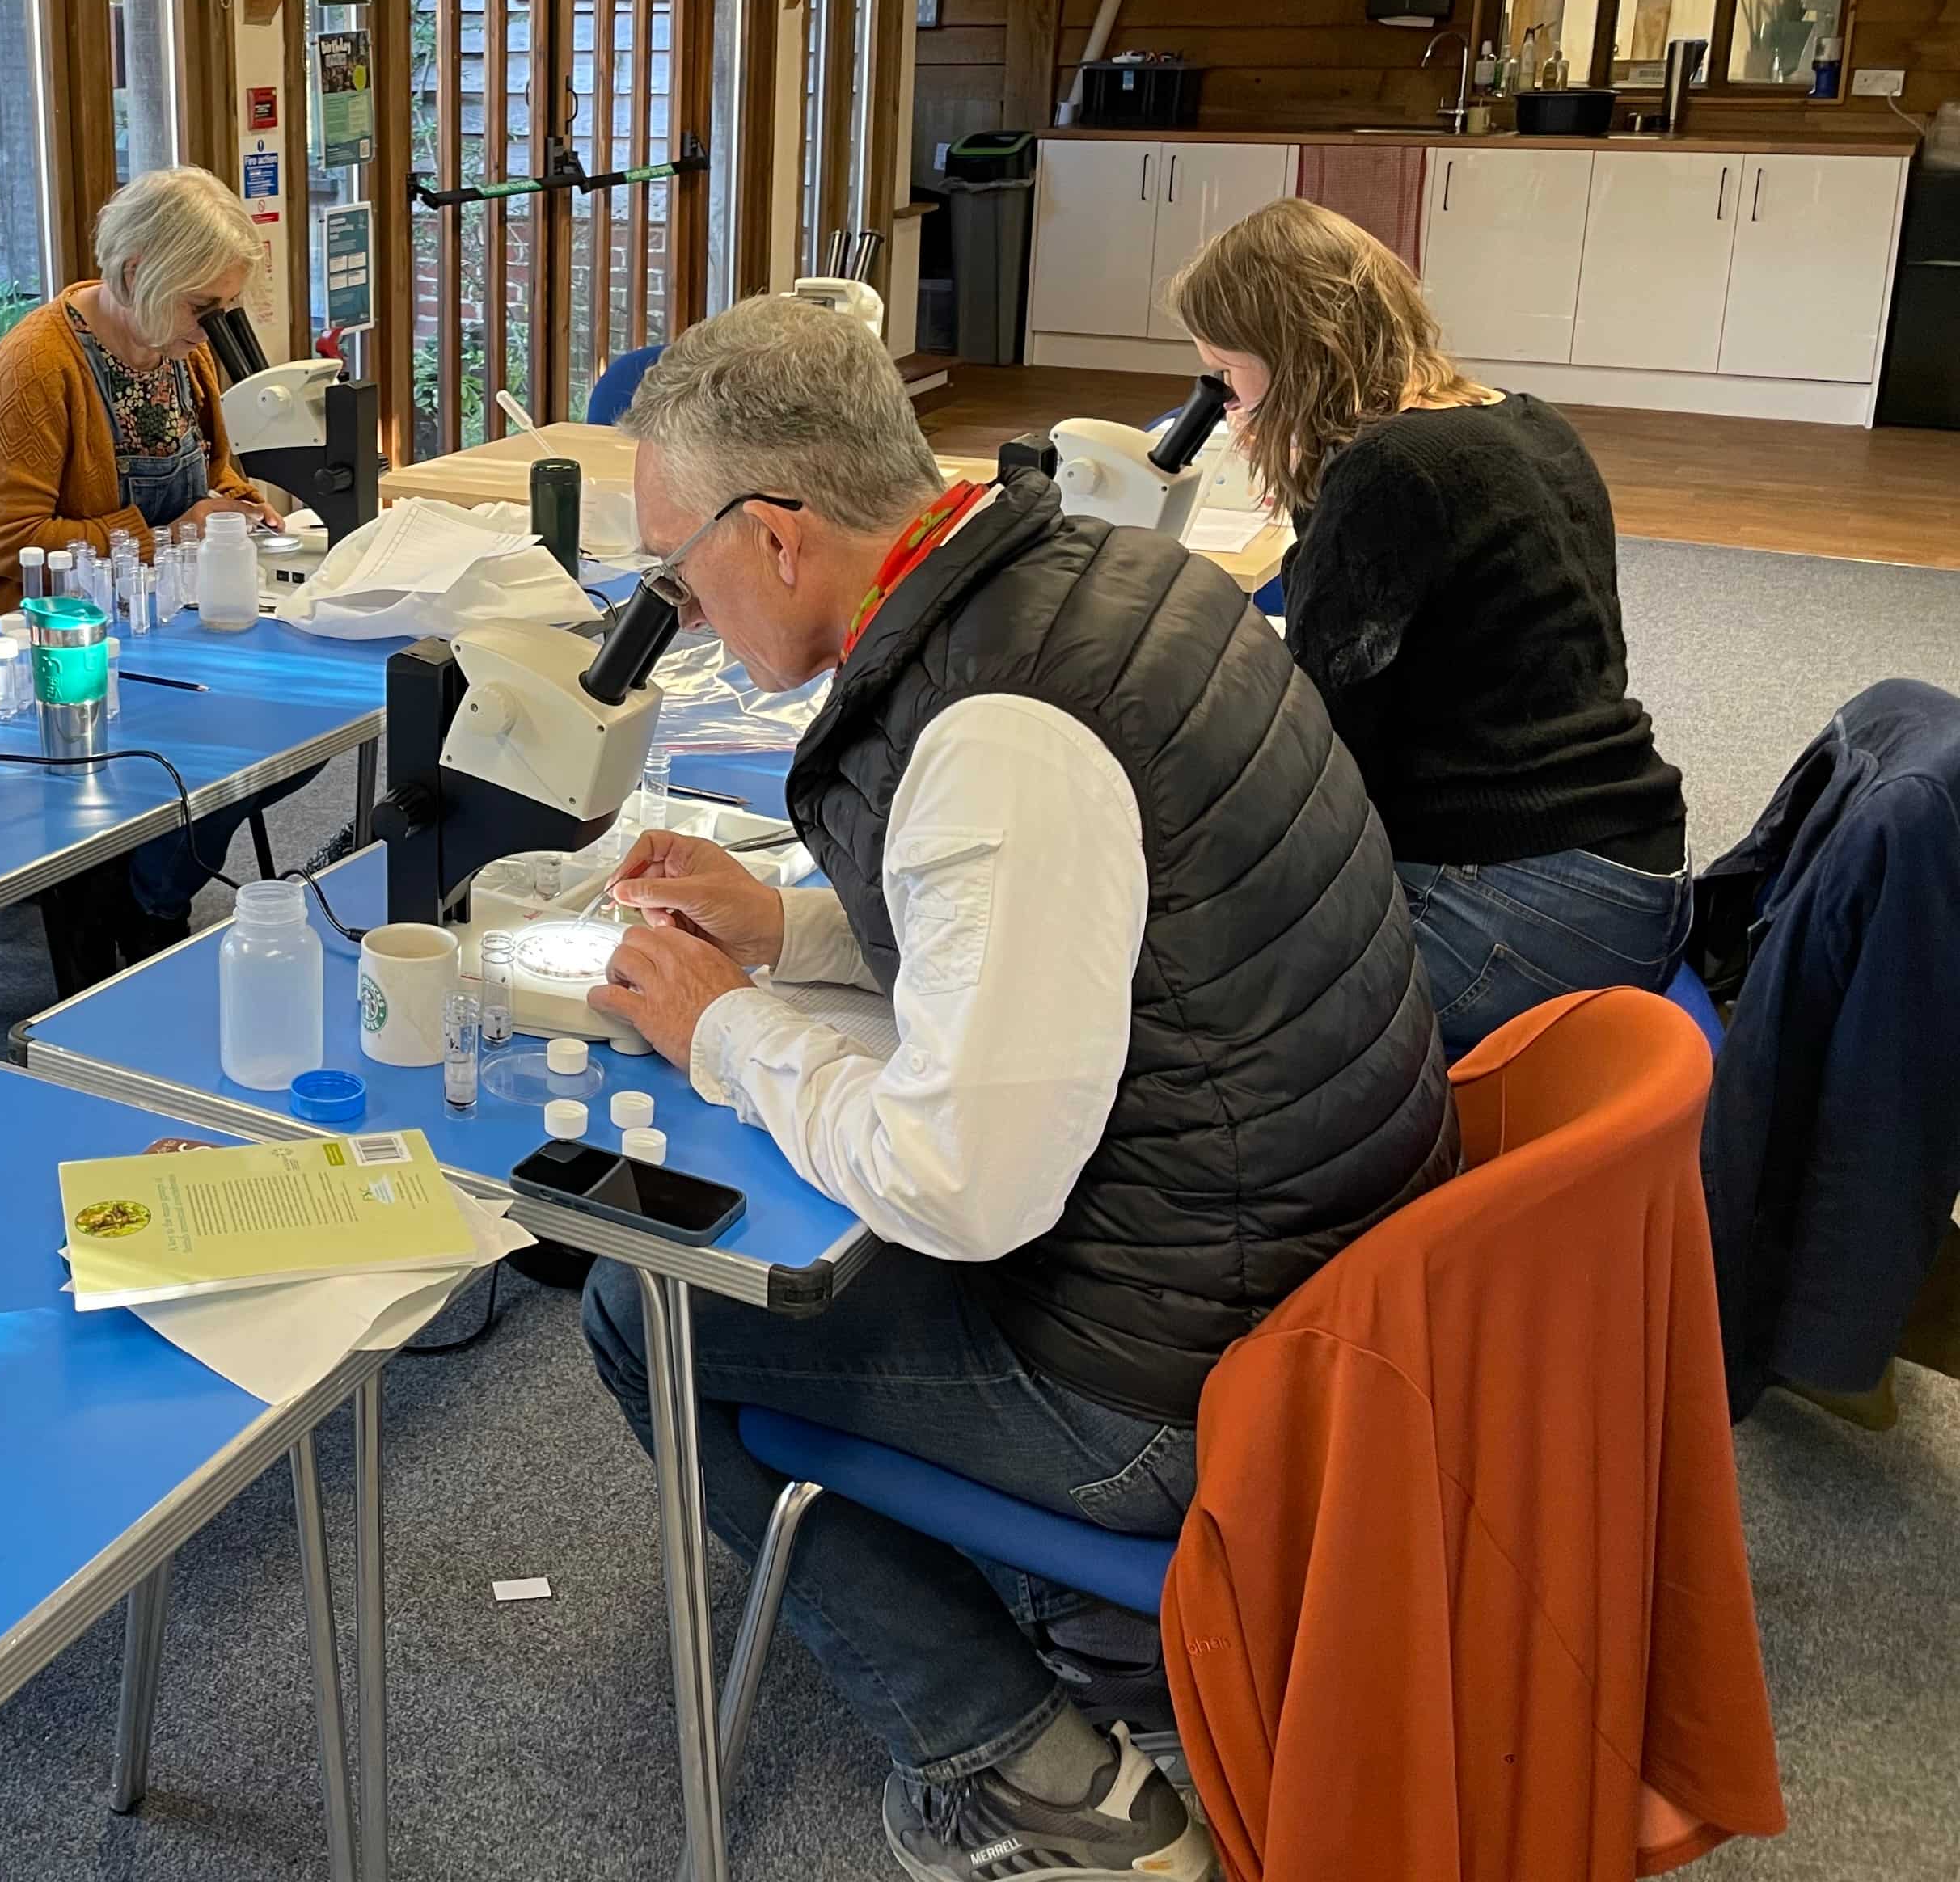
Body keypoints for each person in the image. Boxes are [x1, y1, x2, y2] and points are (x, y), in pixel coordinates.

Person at [575, 295, 1454, 1882]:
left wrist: (723, 1026)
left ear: (776, 537)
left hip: (1195, 1377)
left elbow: (963, 1183)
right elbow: (1070, 932)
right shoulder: (1083, 577)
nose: (679, 613)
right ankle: (1075, 1627)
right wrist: (792, 928)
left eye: (677, 567)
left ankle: (1027, 1772)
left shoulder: (994, 732)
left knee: (643, 1306)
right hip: (1329, 1274)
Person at [1171, 198, 1691, 1057]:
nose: (1224, 407)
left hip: (1531, 908)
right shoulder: (1522, 422)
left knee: (1190, 1017)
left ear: (1298, 356)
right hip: (1632, 869)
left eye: (1229, 378)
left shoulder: (1392, 470)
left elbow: (1321, 753)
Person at [0, 167, 282, 985]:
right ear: (136, 274)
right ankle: (130, 901)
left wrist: (240, 507)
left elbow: (221, 472)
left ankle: (152, 892)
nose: (210, 334)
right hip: (43, 648)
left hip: (159, 623)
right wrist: (170, 529)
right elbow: (8, 543)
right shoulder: (33, 368)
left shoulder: (178, 357)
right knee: (214, 738)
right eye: (202, 308)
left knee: (288, 741)